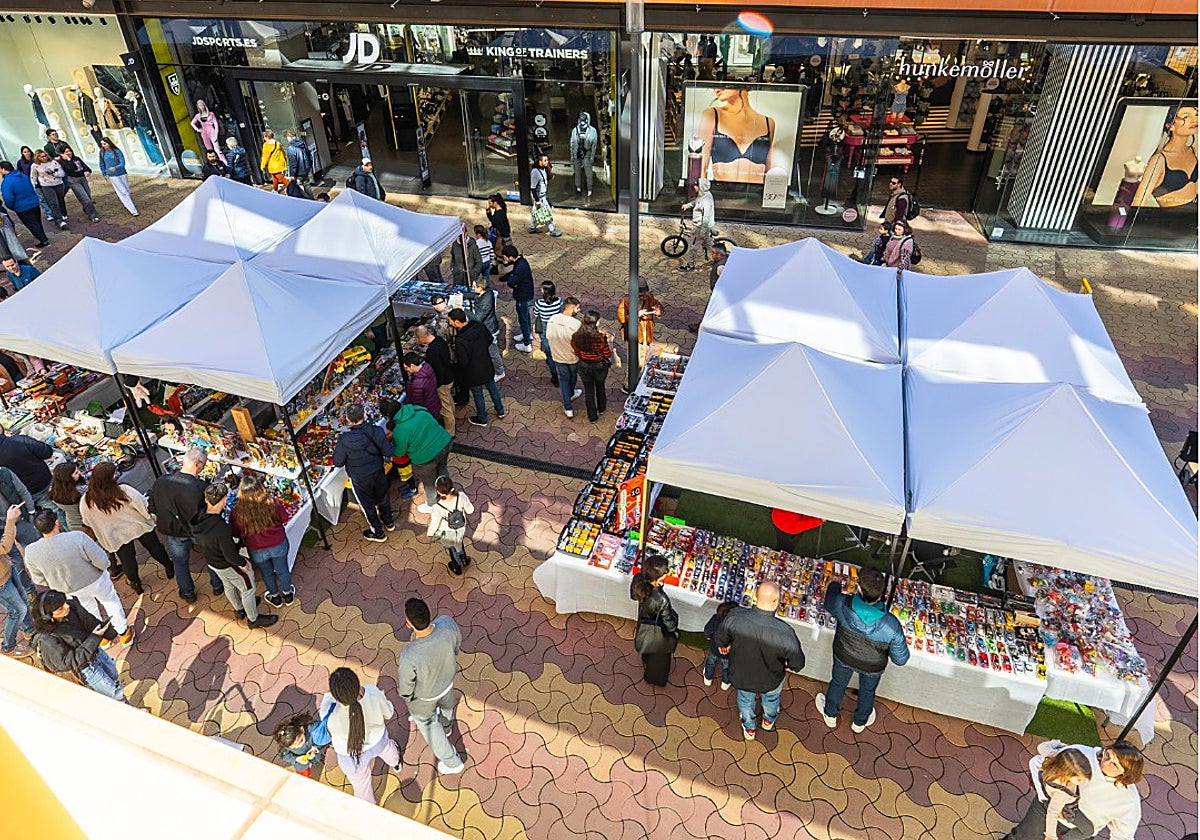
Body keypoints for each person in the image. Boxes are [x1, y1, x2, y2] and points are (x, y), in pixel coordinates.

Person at [816, 567, 909, 733]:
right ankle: (859, 722)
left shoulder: (842, 603)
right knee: (867, 691)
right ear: (881, 594)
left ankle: (830, 714)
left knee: (838, 683)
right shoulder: (891, 624)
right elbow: (900, 660)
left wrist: (835, 584)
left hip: (844, 655)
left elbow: (829, 602)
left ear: (858, 587)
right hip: (872, 666)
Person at [25, 510, 133, 645]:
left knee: (88, 611)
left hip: (68, 590)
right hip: (95, 580)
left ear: (37, 528)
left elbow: (39, 580)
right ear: (56, 522)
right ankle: (123, 633)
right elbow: (102, 561)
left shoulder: (30, 552)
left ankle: (102, 639)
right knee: (110, 601)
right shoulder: (77, 537)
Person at [715, 581, 805, 740]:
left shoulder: (735, 617)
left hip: (742, 676)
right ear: (776, 601)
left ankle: (749, 728)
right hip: (771, 679)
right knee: (771, 699)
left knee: (745, 700)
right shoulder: (785, 632)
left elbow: (720, 639)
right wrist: (787, 665)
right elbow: (798, 664)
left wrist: (726, 645)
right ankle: (768, 720)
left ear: (756, 596)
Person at [192, 483, 278, 629]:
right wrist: (243, 564)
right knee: (248, 588)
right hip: (227, 564)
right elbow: (230, 554)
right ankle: (253, 619)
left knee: (229, 585)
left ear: (206, 499)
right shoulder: (221, 529)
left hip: (212, 561)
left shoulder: (199, 518)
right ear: (225, 499)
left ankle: (239, 609)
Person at [80, 461, 172, 596]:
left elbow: (87, 521)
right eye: (114, 474)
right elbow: (142, 504)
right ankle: (169, 568)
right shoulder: (123, 490)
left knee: (127, 560)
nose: (116, 475)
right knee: (155, 548)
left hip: (115, 536)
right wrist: (151, 517)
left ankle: (136, 584)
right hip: (138, 526)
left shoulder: (86, 501)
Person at [395, 597, 465, 773]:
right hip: (447, 682)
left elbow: (406, 685)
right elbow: (457, 642)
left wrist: (408, 698)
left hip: (424, 697)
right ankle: (447, 728)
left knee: (431, 728)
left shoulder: (409, 655)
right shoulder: (446, 623)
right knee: (447, 707)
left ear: (409, 624)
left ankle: (452, 762)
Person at [149, 447, 223, 603]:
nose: (202, 470)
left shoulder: (161, 482)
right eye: (202, 466)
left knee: (180, 562)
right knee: (210, 557)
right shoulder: (200, 487)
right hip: (196, 531)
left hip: (174, 531)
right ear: (197, 464)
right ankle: (217, 585)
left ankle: (187, 592)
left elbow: (153, 505)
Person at [321, 666, 402, 802]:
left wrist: (330, 696)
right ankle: (396, 763)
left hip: (351, 756)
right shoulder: (372, 692)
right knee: (388, 749)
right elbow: (388, 713)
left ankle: (368, 808)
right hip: (378, 741)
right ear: (357, 683)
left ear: (336, 695)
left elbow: (326, 723)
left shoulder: (330, 711)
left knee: (361, 787)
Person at [30, 590, 126, 701]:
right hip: (86, 670)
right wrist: (94, 638)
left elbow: (89, 622)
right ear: (48, 617)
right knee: (115, 695)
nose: (67, 606)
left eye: (64, 602)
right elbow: (68, 661)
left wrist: (111, 632)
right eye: (60, 608)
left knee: (115, 679)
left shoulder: (71, 609)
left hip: (97, 653)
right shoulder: (47, 640)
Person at [1039, 741, 1144, 840]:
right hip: (1048, 809)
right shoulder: (1080, 754)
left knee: (1088, 830)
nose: (1105, 762)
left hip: (1077, 827)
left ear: (1125, 774)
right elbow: (1044, 766)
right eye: (1107, 755)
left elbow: (1123, 836)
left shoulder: (1129, 800)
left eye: (1114, 764)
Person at [332, 403, 394, 542]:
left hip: (359, 477)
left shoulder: (344, 440)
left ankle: (378, 532)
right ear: (364, 415)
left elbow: (338, 462)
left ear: (348, 420)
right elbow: (388, 451)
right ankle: (389, 522)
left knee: (367, 505)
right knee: (383, 497)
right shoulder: (377, 431)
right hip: (377, 471)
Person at [1002, 746, 1094, 840]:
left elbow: (1042, 747)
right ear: (1067, 774)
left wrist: (1059, 744)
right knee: (1088, 830)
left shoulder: (1058, 761)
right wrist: (1050, 836)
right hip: (1067, 809)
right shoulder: (1062, 793)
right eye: (1079, 780)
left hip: (1051, 795)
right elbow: (1052, 813)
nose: (1083, 782)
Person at [231, 474, 294, 608]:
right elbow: (284, 518)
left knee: (267, 573)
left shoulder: (237, 512)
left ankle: (275, 597)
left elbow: (235, 532)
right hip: (278, 544)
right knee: (282, 570)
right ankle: (288, 594)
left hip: (256, 548)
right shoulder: (272, 503)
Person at [697, 87, 783, 184]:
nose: (716, 87)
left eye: (725, 80)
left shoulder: (768, 123)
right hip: (721, 192)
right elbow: (701, 169)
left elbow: (768, 173)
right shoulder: (711, 115)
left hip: (756, 192)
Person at [1132, 104, 1198, 208]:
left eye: (1196, 115)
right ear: (1170, 125)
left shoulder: (1192, 151)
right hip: (1175, 216)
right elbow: (1139, 201)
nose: (1194, 120)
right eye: (1186, 116)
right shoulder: (1159, 160)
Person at [447, 308, 504, 427]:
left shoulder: (460, 340)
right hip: (486, 364)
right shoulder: (479, 325)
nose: (450, 324)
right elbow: (489, 339)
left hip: (472, 372)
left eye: (450, 321)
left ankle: (482, 418)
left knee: (478, 394)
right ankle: (500, 410)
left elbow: (463, 362)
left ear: (457, 322)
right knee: (492, 387)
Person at [630, 553, 679, 686]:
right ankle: (654, 678)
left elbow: (633, 596)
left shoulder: (638, 579)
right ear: (658, 578)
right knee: (659, 660)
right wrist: (675, 621)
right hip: (658, 633)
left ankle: (645, 658)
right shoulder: (661, 598)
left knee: (648, 647)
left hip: (643, 624)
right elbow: (670, 624)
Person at [571, 310, 620, 423]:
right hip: (599, 365)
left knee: (589, 390)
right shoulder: (600, 338)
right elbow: (607, 354)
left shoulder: (576, 336)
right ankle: (601, 408)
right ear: (595, 322)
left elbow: (576, 351)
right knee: (600, 386)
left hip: (583, 365)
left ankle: (592, 416)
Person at [0, 504, 33, 657]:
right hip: (1, 584)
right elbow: (5, 547)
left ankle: (30, 631)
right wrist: (10, 520)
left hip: (7, 570)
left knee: (23, 600)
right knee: (17, 610)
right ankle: (8, 646)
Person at [426, 475, 474, 575]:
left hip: (447, 531)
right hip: (460, 527)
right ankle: (464, 560)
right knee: (459, 542)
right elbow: (470, 510)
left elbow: (435, 523)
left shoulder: (437, 506)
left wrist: (430, 533)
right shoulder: (461, 496)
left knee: (452, 548)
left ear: (438, 491)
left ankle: (457, 566)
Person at [546, 297, 584, 418]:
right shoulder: (576, 324)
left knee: (564, 379)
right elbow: (579, 342)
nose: (579, 310)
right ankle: (570, 395)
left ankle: (568, 407)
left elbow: (548, 336)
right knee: (572, 377)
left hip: (557, 356)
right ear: (572, 308)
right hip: (572, 357)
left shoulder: (552, 319)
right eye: (578, 308)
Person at [0, 425, 54, 511]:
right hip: (45, 481)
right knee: (59, 506)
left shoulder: (19, 440)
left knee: (50, 511)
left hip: (27, 493)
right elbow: (47, 452)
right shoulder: (20, 440)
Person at [414, 325, 456, 435]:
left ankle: (450, 432)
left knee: (445, 408)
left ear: (421, 338)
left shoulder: (432, 351)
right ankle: (453, 419)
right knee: (449, 401)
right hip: (449, 375)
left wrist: (436, 385)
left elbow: (438, 371)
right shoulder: (439, 340)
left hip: (443, 382)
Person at [0, 160, 50, 246]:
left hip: (21, 207)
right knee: (37, 222)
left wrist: (11, 206)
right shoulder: (23, 176)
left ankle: (43, 240)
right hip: (33, 203)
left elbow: (8, 197)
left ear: (4, 169)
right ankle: (42, 236)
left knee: (31, 224)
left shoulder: (6, 182)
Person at [468, 275, 504, 381]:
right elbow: (474, 296)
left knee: (493, 352)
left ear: (481, 287)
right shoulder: (486, 292)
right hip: (486, 328)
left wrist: (464, 310)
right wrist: (463, 295)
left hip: (489, 330)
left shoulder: (485, 302)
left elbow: (477, 318)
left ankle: (500, 372)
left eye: (474, 287)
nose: (473, 288)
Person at [501, 244, 535, 353]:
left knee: (523, 318)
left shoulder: (519, 267)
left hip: (522, 296)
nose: (504, 259)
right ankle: (527, 334)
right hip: (526, 294)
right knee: (525, 316)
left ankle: (527, 344)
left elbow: (511, 282)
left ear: (510, 257)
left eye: (505, 257)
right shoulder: (522, 261)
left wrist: (510, 279)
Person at [273, 711, 325, 778]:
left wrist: (315, 749)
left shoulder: (312, 729)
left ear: (302, 729)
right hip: (300, 764)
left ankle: (315, 762)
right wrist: (296, 759)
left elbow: (322, 738)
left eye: (301, 740)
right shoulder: (286, 745)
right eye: (294, 748)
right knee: (303, 776)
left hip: (314, 752)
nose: (300, 746)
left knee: (316, 761)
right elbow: (284, 756)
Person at [678, 178, 715, 271]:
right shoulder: (703, 194)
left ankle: (690, 265)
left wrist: (702, 232)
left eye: (696, 185)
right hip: (704, 227)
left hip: (700, 226)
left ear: (701, 187)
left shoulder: (706, 200)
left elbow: (705, 218)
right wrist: (688, 205)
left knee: (693, 247)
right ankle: (722, 258)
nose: (694, 187)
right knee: (709, 244)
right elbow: (696, 202)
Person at [702, 600, 738, 690]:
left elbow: (707, 631)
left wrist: (709, 637)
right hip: (729, 654)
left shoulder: (715, 618)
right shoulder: (737, 625)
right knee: (727, 667)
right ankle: (725, 683)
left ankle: (708, 678)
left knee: (710, 663)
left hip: (714, 649)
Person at [57, 147, 100, 222]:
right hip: (73, 180)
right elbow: (72, 168)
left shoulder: (76, 158)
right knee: (85, 198)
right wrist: (68, 159)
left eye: (69, 151)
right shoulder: (62, 162)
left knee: (88, 196)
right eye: (66, 152)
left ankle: (86, 209)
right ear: (62, 154)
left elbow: (84, 166)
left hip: (82, 178)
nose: (69, 153)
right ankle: (93, 216)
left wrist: (87, 171)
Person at [534, 281, 565, 384]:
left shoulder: (539, 303)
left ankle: (554, 375)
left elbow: (536, 314)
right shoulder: (559, 301)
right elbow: (560, 311)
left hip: (545, 327)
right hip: (556, 326)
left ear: (545, 291)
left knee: (549, 352)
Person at [617, 280, 663, 349]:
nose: (642, 295)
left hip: (647, 331)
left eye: (643, 292)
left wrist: (659, 312)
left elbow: (659, 307)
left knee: (645, 350)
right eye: (639, 292)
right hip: (633, 334)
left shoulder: (649, 297)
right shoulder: (625, 300)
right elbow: (621, 319)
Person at [98, 138, 138, 216]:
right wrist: (104, 173)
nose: (103, 146)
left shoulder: (117, 151)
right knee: (123, 192)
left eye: (105, 144)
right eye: (102, 144)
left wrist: (115, 168)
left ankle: (128, 204)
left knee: (127, 191)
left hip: (122, 173)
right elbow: (102, 164)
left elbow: (122, 163)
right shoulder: (102, 152)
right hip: (112, 175)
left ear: (109, 143)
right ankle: (133, 210)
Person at [29, 150, 68, 230]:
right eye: (42, 157)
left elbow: (62, 173)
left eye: (45, 156)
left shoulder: (54, 162)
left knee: (60, 200)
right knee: (53, 203)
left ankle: (62, 214)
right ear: (38, 158)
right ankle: (59, 221)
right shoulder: (35, 166)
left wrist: (53, 173)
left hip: (58, 183)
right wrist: (34, 186)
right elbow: (33, 176)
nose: (44, 158)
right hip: (46, 185)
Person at [529, 154, 563, 236]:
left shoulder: (543, 169)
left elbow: (544, 180)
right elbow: (533, 188)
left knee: (535, 211)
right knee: (547, 212)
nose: (547, 162)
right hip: (539, 196)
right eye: (545, 161)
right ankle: (552, 230)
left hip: (542, 195)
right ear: (540, 161)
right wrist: (537, 200)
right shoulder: (535, 172)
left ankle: (532, 227)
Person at [402, 352, 443, 419]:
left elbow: (417, 403)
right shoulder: (427, 366)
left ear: (412, 366)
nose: (406, 370)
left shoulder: (417, 383)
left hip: (426, 410)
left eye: (406, 368)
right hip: (434, 403)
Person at [47, 461, 85, 532]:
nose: (79, 473)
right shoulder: (80, 490)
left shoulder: (53, 492)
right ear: (68, 478)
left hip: (71, 521)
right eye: (76, 473)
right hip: (85, 521)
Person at [450, 221, 482, 286]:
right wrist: (453, 269)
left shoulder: (473, 246)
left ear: (466, 233)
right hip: (458, 277)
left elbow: (479, 261)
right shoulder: (455, 245)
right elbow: (453, 258)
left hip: (470, 277)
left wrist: (474, 272)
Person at [486, 193, 511, 258]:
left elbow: (500, 227)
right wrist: (488, 212)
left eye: (490, 203)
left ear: (495, 203)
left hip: (503, 239)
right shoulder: (499, 211)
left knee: (505, 254)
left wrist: (491, 226)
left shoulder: (499, 214)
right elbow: (493, 220)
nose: (489, 205)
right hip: (504, 238)